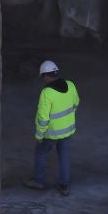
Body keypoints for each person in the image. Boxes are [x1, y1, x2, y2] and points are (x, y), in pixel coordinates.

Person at [24, 60, 80, 196]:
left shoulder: (47, 93)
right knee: (64, 155)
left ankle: (39, 181)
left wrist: (39, 135)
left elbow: (43, 118)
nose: (43, 80)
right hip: (68, 130)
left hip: (51, 133)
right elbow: (76, 103)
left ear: (47, 76)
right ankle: (64, 185)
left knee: (40, 153)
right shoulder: (70, 85)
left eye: (43, 77)